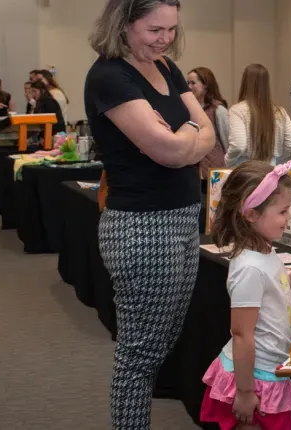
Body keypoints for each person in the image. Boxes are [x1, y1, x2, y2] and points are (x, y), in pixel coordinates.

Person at [85, 0, 216, 427]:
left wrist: (184, 136)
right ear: (124, 23)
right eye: (154, 29)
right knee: (139, 356)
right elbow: (167, 151)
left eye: (172, 30)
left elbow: (206, 136)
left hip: (182, 217)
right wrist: (183, 141)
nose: (165, 39)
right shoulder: (109, 75)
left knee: (161, 344)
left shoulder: (166, 68)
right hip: (141, 225)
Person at [202, 160, 291, 430]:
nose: (289, 217)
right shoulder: (249, 268)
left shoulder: (265, 251)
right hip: (254, 378)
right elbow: (242, 334)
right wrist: (246, 393)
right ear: (251, 215)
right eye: (283, 211)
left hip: (267, 368)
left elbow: (279, 301)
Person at [225, 64, 291, 168]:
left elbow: (238, 145)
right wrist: (274, 157)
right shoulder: (280, 112)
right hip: (270, 170)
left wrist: (228, 161)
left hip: (244, 170)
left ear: (245, 82)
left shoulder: (237, 110)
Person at [188, 66, 229, 177]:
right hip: (193, 170)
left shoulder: (218, 110)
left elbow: (227, 142)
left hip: (214, 172)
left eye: (193, 83)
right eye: (188, 83)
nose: (189, 87)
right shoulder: (187, 109)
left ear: (205, 85)